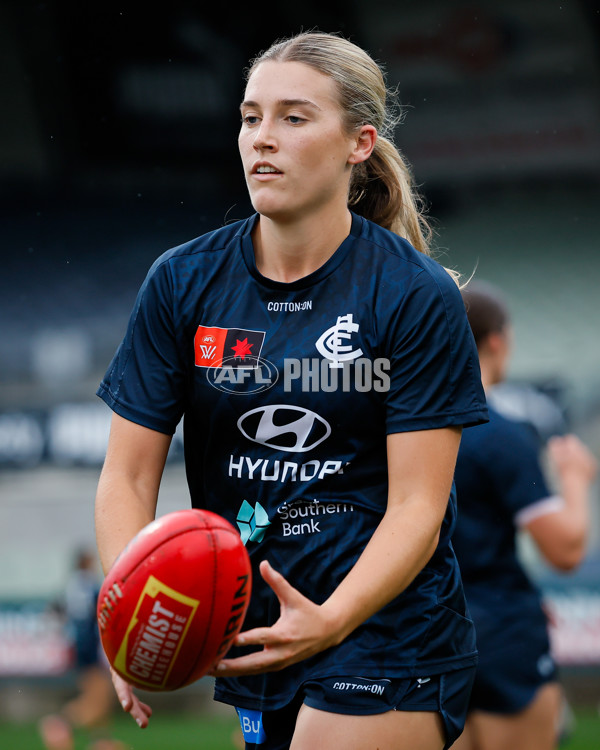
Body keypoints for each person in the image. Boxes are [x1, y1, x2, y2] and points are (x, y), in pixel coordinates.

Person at [94, 31, 489, 750]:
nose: (261, 139)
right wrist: (127, 614)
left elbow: (418, 507)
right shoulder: (182, 282)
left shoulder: (415, 293)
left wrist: (332, 620)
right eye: (250, 117)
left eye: (293, 117)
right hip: (253, 637)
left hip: (387, 629)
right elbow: (126, 474)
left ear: (358, 143)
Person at [451, 280, 598, 750]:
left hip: (423, 629)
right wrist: (574, 478)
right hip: (502, 632)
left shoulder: (398, 425)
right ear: (498, 341)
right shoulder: (503, 434)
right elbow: (564, 550)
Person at [38, 549, 126, 750]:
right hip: (89, 644)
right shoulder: (90, 583)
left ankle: (100, 740)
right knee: (99, 695)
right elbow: (106, 605)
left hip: (77, 644)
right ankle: (61, 722)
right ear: (85, 562)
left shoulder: (71, 585)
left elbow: (56, 610)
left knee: (97, 694)